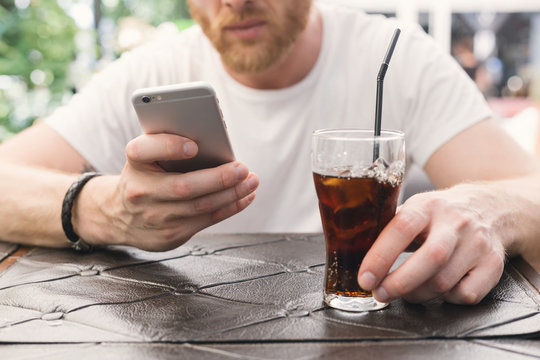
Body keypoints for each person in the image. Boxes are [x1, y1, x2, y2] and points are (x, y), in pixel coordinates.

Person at [0, 0, 539, 306]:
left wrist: (487, 208)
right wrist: (103, 209)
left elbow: (529, 192)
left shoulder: (399, 57)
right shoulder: (152, 70)